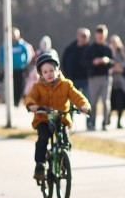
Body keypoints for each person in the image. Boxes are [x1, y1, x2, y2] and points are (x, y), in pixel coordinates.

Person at [24, 52, 90, 180]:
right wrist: (32, 105)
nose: (49, 74)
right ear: (41, 74)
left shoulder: (66, 85)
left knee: (64, 141)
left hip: (61, 118)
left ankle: (64, 162)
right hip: (43, 118)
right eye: (45, 72)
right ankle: (40, 166)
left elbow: (77, 96)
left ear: (57, 70)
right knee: (43, 138)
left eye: (51, 70)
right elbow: (30, 97)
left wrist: (84, 106)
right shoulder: (37, 87)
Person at [81, 24, 115, 131]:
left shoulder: (108, 48)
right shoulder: (90, 48)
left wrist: (107, 61)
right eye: (99, 35)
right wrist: (93, 62)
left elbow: (114, 62)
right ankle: (92, 122)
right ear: (96, 35)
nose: (101, 37)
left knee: (106, 101)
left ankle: (106, 122)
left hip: (105, 78)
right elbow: (83, 62)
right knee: (93, 102)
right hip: (94, 78)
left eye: (102, 35)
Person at [0, 28, 34, 107]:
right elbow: (1, 54)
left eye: (15, 35)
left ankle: (17, 101)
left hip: (20, 69)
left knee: (19, 85)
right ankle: (11, 100)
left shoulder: (22, 45)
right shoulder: (7, 45)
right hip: (10, 69)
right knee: (11, 85)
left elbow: (28, 55)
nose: (13, 37)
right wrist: (4, 63)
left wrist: (24, 63)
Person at [108, 34, 125, 129]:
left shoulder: (122, 53)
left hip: (121, 82)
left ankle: (119, 121)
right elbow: (111, 66)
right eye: (112, 42)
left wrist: (117, 67)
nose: (114, 44)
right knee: (110, 102)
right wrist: (116, 67)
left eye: (116, 42)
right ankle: (108, 119)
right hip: (110, 82)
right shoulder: (107, 52)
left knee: (120, 103)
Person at [61, 27, 91, 98]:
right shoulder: (70, 48)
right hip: (73, 79)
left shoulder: (91, 49)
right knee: (72, 99)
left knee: (87, 100)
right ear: (78, 36)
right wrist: (67, 75)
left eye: (87, 37)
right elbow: (64, 62)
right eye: (83, 36)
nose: (85, 38)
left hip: (86, 79)